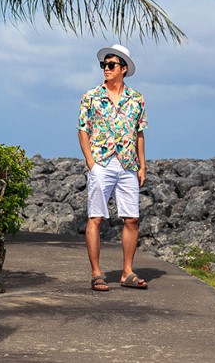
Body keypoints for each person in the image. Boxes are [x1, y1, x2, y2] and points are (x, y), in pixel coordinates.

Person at [78, 43, 149, 291]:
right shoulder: (90, 97)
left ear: (123, 68)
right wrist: (91, 162)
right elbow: (83, 129)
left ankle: (127, 272)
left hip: (128, 164)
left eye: (111, 65)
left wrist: (142, 165)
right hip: (102, 162)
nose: (106, 69)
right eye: (103, 65)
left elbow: (139, 133)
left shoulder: (137, 99)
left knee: (132, 219)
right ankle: (97, 273)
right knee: (95, 217)